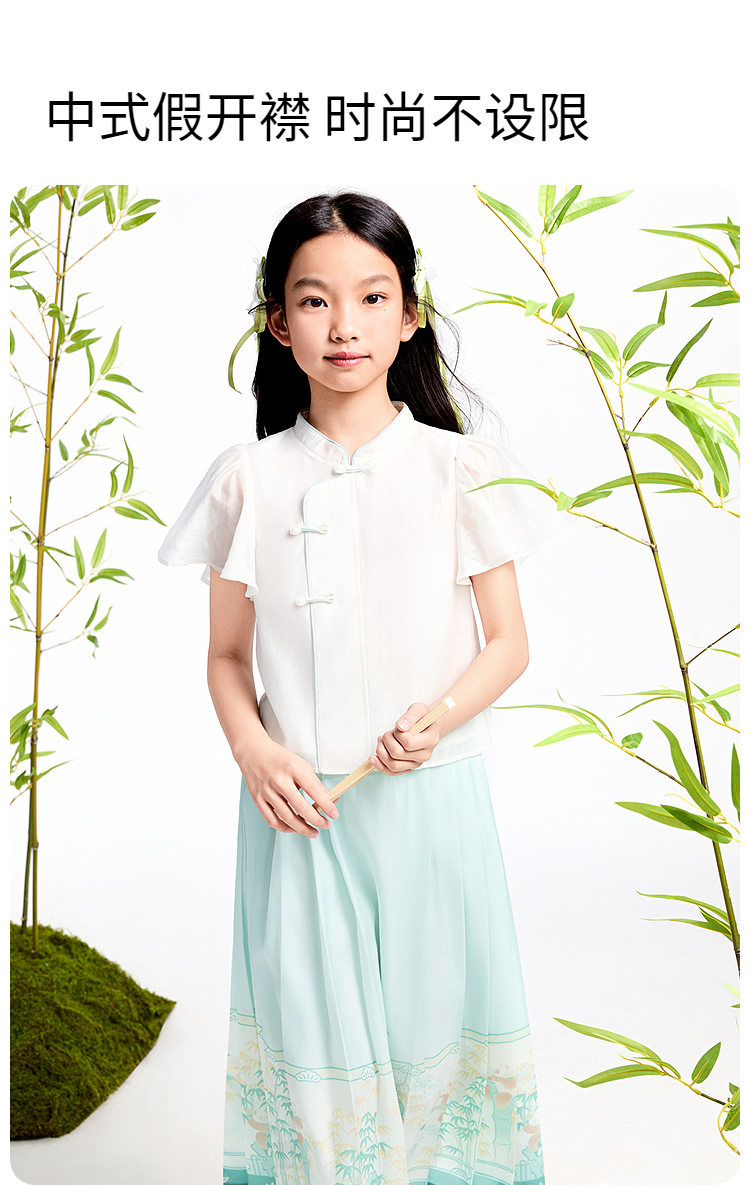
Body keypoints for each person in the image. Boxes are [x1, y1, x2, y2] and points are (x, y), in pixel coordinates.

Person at [159, 192, 567, 1185]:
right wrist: (257, 752)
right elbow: (226, 657)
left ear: (410, 314)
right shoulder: (247, 479)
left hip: (433, 803)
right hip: (301, 811)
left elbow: (509, 642)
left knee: (440, 1039)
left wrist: (437, 718)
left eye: (373, 297)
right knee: (312, 1045)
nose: (344, 325)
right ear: (277, 321)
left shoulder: (461, 468)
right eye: (314, 300)